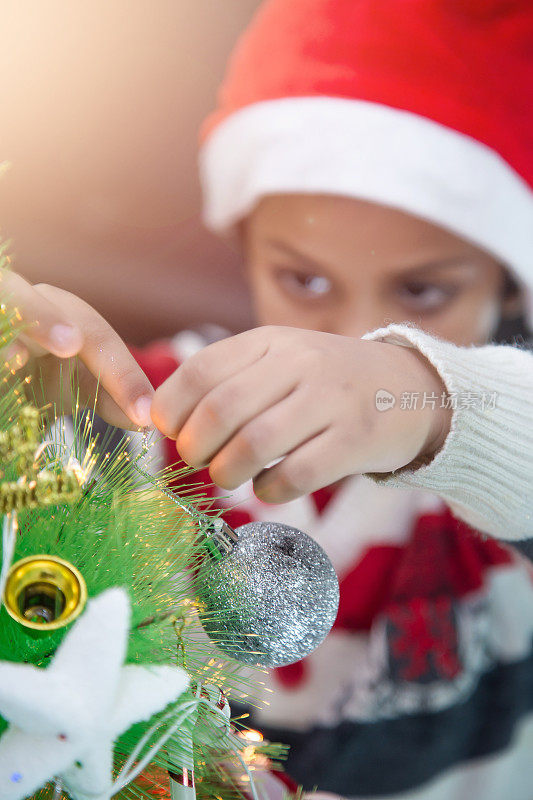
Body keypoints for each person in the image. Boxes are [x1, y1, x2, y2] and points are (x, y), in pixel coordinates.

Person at [2, 0, 533, 797]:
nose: (356, 335)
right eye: (304, 280)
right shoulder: (133, 417)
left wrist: (422, 398)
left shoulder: (487, 474)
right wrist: (20, 406)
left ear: (507, 285)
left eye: (422, 291)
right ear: (244, 244)